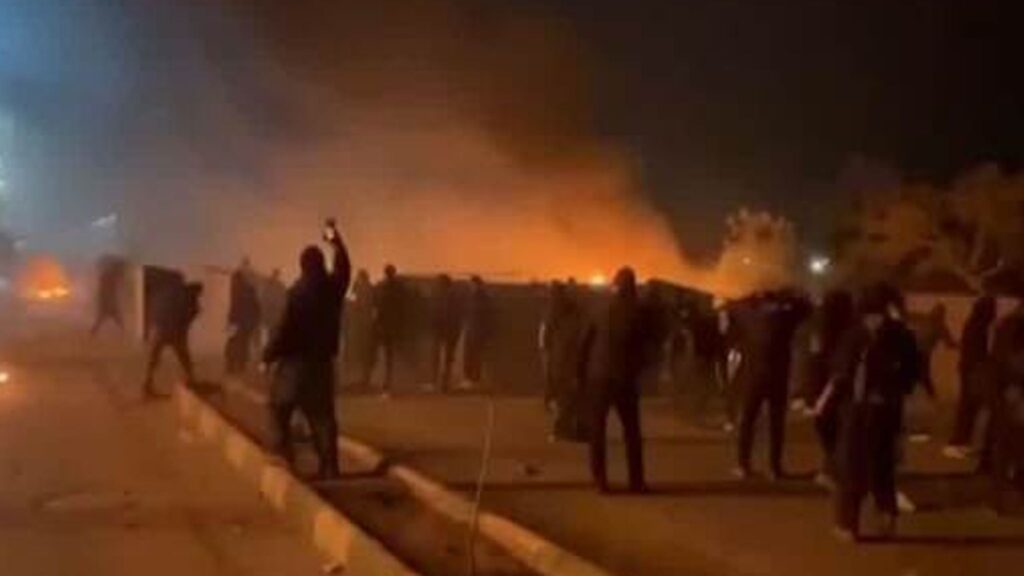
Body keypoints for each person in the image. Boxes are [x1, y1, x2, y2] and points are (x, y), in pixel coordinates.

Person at [820, 284, 920, 541]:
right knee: (883, 465)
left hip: (858, 410)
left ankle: (848, 525)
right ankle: (886, 517)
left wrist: (823, 402)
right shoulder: (902, 334)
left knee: (852, 466)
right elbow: (912, 373)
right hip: (888, 408)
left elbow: (841, 374)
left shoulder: (854, 334)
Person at [263, 219, 351, 480]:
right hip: (322, 363)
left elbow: (284, 329)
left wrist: (268, 355)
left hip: (295, 364)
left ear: (302, 266)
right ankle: (330, 466)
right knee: (322, 417)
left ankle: (285, 458)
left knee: (278, 409)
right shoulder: (333, 289)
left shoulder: (297, 293)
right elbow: (344, 267)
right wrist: (336, 241)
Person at [581, 267, 649, 493]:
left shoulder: (600, 309)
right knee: (632, 433)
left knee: (597, 431)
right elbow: (644, 348)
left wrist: (579, 375)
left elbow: (585, 343)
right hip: (625, 378)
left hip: (598, 376)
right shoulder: (638, 313)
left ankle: (600, 480)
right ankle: (636, 481)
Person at [734, 291, 811, 480]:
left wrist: (752, 296)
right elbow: (806, 306)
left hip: (753, 376)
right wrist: (787, 297)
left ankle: (743, 465)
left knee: (748, 420)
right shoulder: (785, 318)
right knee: (776, 423)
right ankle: (775, 467)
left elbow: (737, 304)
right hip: (778, 376)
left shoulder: (749, 316)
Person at [808, 289, 856, 485]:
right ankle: (833, 467)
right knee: (831, 427)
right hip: (829, 384)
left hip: (833, 385)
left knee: (830, 427)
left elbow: (838, 370)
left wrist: (821, 397)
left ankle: (834, 469)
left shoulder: (844, 334)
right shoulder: (827, 329)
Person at [945, 296, 997, 458]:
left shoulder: (975, 324)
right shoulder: (979, 327)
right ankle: (960, 441)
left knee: (969, 406)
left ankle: (961, 440)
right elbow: (978, 352)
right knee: (970, 406)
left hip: (970, 369)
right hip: (973, 370)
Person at [985, 299, 1024, 511]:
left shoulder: (1005, 324)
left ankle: (1001, 497)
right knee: (1010, 447)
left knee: (1006, 448)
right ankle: (1004, 496)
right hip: (1011, 395)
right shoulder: (1011, 326)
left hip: (1006, 394)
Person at [541, 281, 589, 441]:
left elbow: (546, 339)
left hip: (561, 361)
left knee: (564, 398)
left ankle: (563, 430)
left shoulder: (553, 312)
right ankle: (577, 429)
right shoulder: (576, 312)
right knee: (572, 398)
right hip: (571, 361)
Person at [143, 281, 203, 398]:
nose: (199, 296)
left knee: (155, 358)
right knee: (184, 359)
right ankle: (191, 380)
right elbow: (186, 320)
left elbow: (158, 311)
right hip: (174, 334)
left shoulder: (174, 297)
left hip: (163, 331)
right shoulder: (190, 302)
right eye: (198, 294)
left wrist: (157, 325)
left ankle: (147, 384)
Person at [371, 264, 404, 394]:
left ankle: (387, 382)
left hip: (386, 325)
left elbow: (378, 306)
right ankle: (388, 381)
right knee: (390, 355)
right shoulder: (397, 287)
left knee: (387, 354)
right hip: (392, 325)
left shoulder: (383, 287)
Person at [913, 303, 957, 398]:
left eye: (939, 313)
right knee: (918, 375)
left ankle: (931, 397)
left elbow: (949, 343)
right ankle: (928, 396)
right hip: (913, 350)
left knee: (923, 376)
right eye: (935, 312)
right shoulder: (924, 318)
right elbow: (908, 316)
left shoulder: (941, 327)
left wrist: (961, 346)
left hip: (924, 353)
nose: (936, 315)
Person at [225, 258, 261, 375]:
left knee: (238, 342)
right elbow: (255, 307)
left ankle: (236, 365)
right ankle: (235, 365)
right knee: (238, 342)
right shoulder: (245, 288)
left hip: (241, 321)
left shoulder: (244, 288)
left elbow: (255, 307)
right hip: (240, 321)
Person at [429, 274, 463, 391]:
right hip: (450, 331)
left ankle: (437, 381)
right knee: (447, 358)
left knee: (438, 356)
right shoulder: (454, 297)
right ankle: (445, 382)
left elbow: (439, 313)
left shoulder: (442, 296)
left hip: (443, 330)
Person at [345, 269, 376, 388]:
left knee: (361, 352)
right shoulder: (371, 288)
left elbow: (353, 301)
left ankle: (361, 379)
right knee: (366, 353)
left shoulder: (359, 288)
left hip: (360, 326)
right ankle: (365, 378)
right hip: (367, 325)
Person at [462, 275, 494, 388]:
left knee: (474, 356)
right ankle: (471, 379)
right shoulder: (475, 297)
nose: (471, 287)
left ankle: (473, 379)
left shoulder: (481, 298)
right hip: (473, 330)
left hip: (476, 331)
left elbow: (486, 316)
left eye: (472, 284)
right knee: (471, 356)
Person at [91, 255, 126, 335]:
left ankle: (93, 331)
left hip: (108, 301)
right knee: (106, 317)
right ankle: (123, 331)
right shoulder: (108, 276)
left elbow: (112, 289)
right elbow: (106, 290)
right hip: (108, 301)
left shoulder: (108, 276)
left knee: (105, 317)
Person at [260, 268, 288, 347]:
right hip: (275, 313)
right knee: (274, 331)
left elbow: (264, 300)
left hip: (271, 313)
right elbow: (284, 300)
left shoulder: (269, 286)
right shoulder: (280, 286)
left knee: (271, 332)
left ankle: (271, 346)